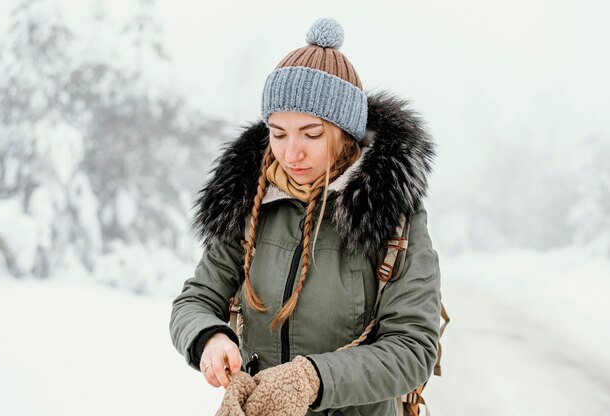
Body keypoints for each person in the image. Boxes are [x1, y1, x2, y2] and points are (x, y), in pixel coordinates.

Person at [170, 17, 442, 416]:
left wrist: (313, 379)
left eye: (311, 134)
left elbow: (413, 348)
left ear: (344, 132)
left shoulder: (392, 215)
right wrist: (209, 338)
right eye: (278, 133)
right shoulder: (250, 201)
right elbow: (196, 298)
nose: (290, 153)